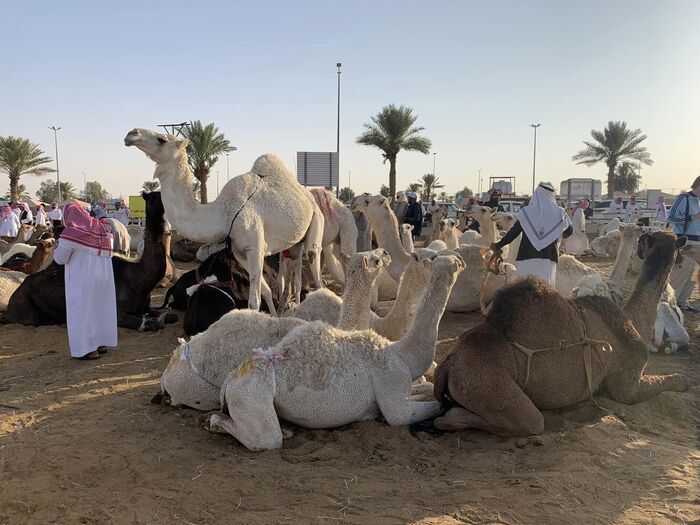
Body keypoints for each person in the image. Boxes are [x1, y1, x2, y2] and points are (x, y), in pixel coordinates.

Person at [53, 202, 118, 360]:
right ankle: (100, 343)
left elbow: (60, 259)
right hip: (103, 280)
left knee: (81, 313)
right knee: (99, 310)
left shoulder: (71, 233)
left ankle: (86, 349)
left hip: (81, 281)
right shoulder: (104, 229)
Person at [491, 182, 573, 287]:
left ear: (536, 195)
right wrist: (555, 236)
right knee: (546, 290)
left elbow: (513, 233)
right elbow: (569, 232)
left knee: (524, 290)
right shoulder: (560, 213)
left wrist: (498, 245)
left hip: (526, 256)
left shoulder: (526, 212)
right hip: (549, 257)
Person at [668, 176, 700, 313]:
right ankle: (670, 303)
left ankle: (682, 302)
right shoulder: (684, 198)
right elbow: (672, 217)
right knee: (681, 272)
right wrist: (693, 217)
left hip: (698, 242)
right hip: (685, 240)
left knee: (693, 275)